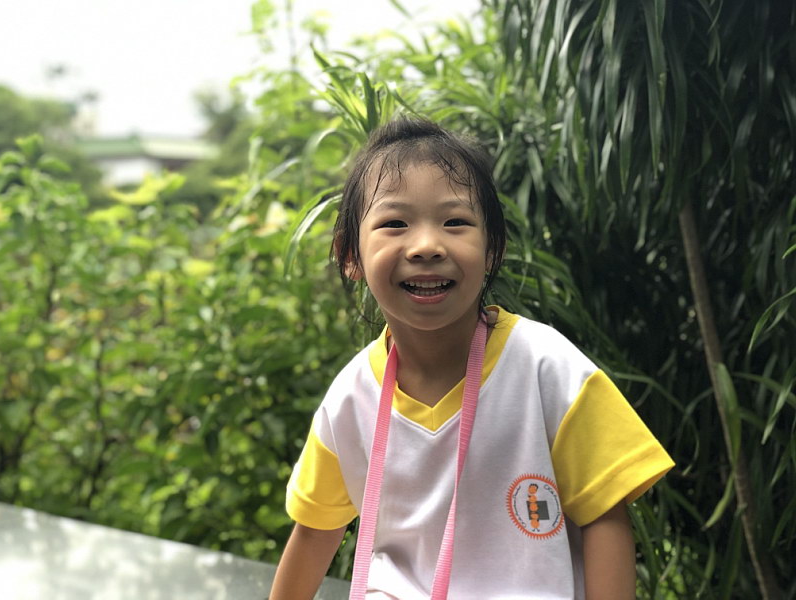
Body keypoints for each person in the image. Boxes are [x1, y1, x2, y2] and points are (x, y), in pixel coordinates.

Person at [269, 117, 674, 599]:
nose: (426, 246)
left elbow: (604, 515)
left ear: (492, 250)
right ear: (350, 255)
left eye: (455, 222)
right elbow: (315, 531)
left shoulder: (548, 370)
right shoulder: (352, 397)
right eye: (395, 223)